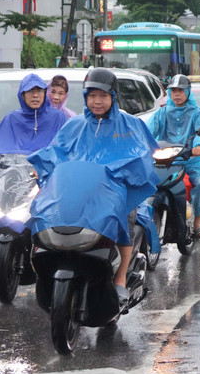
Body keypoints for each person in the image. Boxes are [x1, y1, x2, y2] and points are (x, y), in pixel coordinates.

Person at [28, 68, 160, 302]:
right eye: (91, 95)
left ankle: (120, 278)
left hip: (115, 192)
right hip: (79, 188)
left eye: (103, 95)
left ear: (113, 96)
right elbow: (56, 152)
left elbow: (143, 156)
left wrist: (121, 174)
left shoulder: (130, 125)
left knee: (126, 220)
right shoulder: (74, 125)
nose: (97, 101)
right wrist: (41, 167)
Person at [0, 73, 67, 194]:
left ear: (44, 93)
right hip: (13, 187)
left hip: (49, 185)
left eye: (39, 91)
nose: (35, 95)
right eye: (30, 91)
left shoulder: (58, 118)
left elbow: (66, 148)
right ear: (22, 95)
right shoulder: (12, 119)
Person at [148, 75, 200, 238]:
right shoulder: (162, 113)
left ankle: (198, 222)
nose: (176, 94)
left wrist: (199, 146)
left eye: (180, 91)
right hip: (166, 159)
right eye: (173, 91)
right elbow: (148, 132)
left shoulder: (198, 113)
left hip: (192, 160)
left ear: (188, 92)